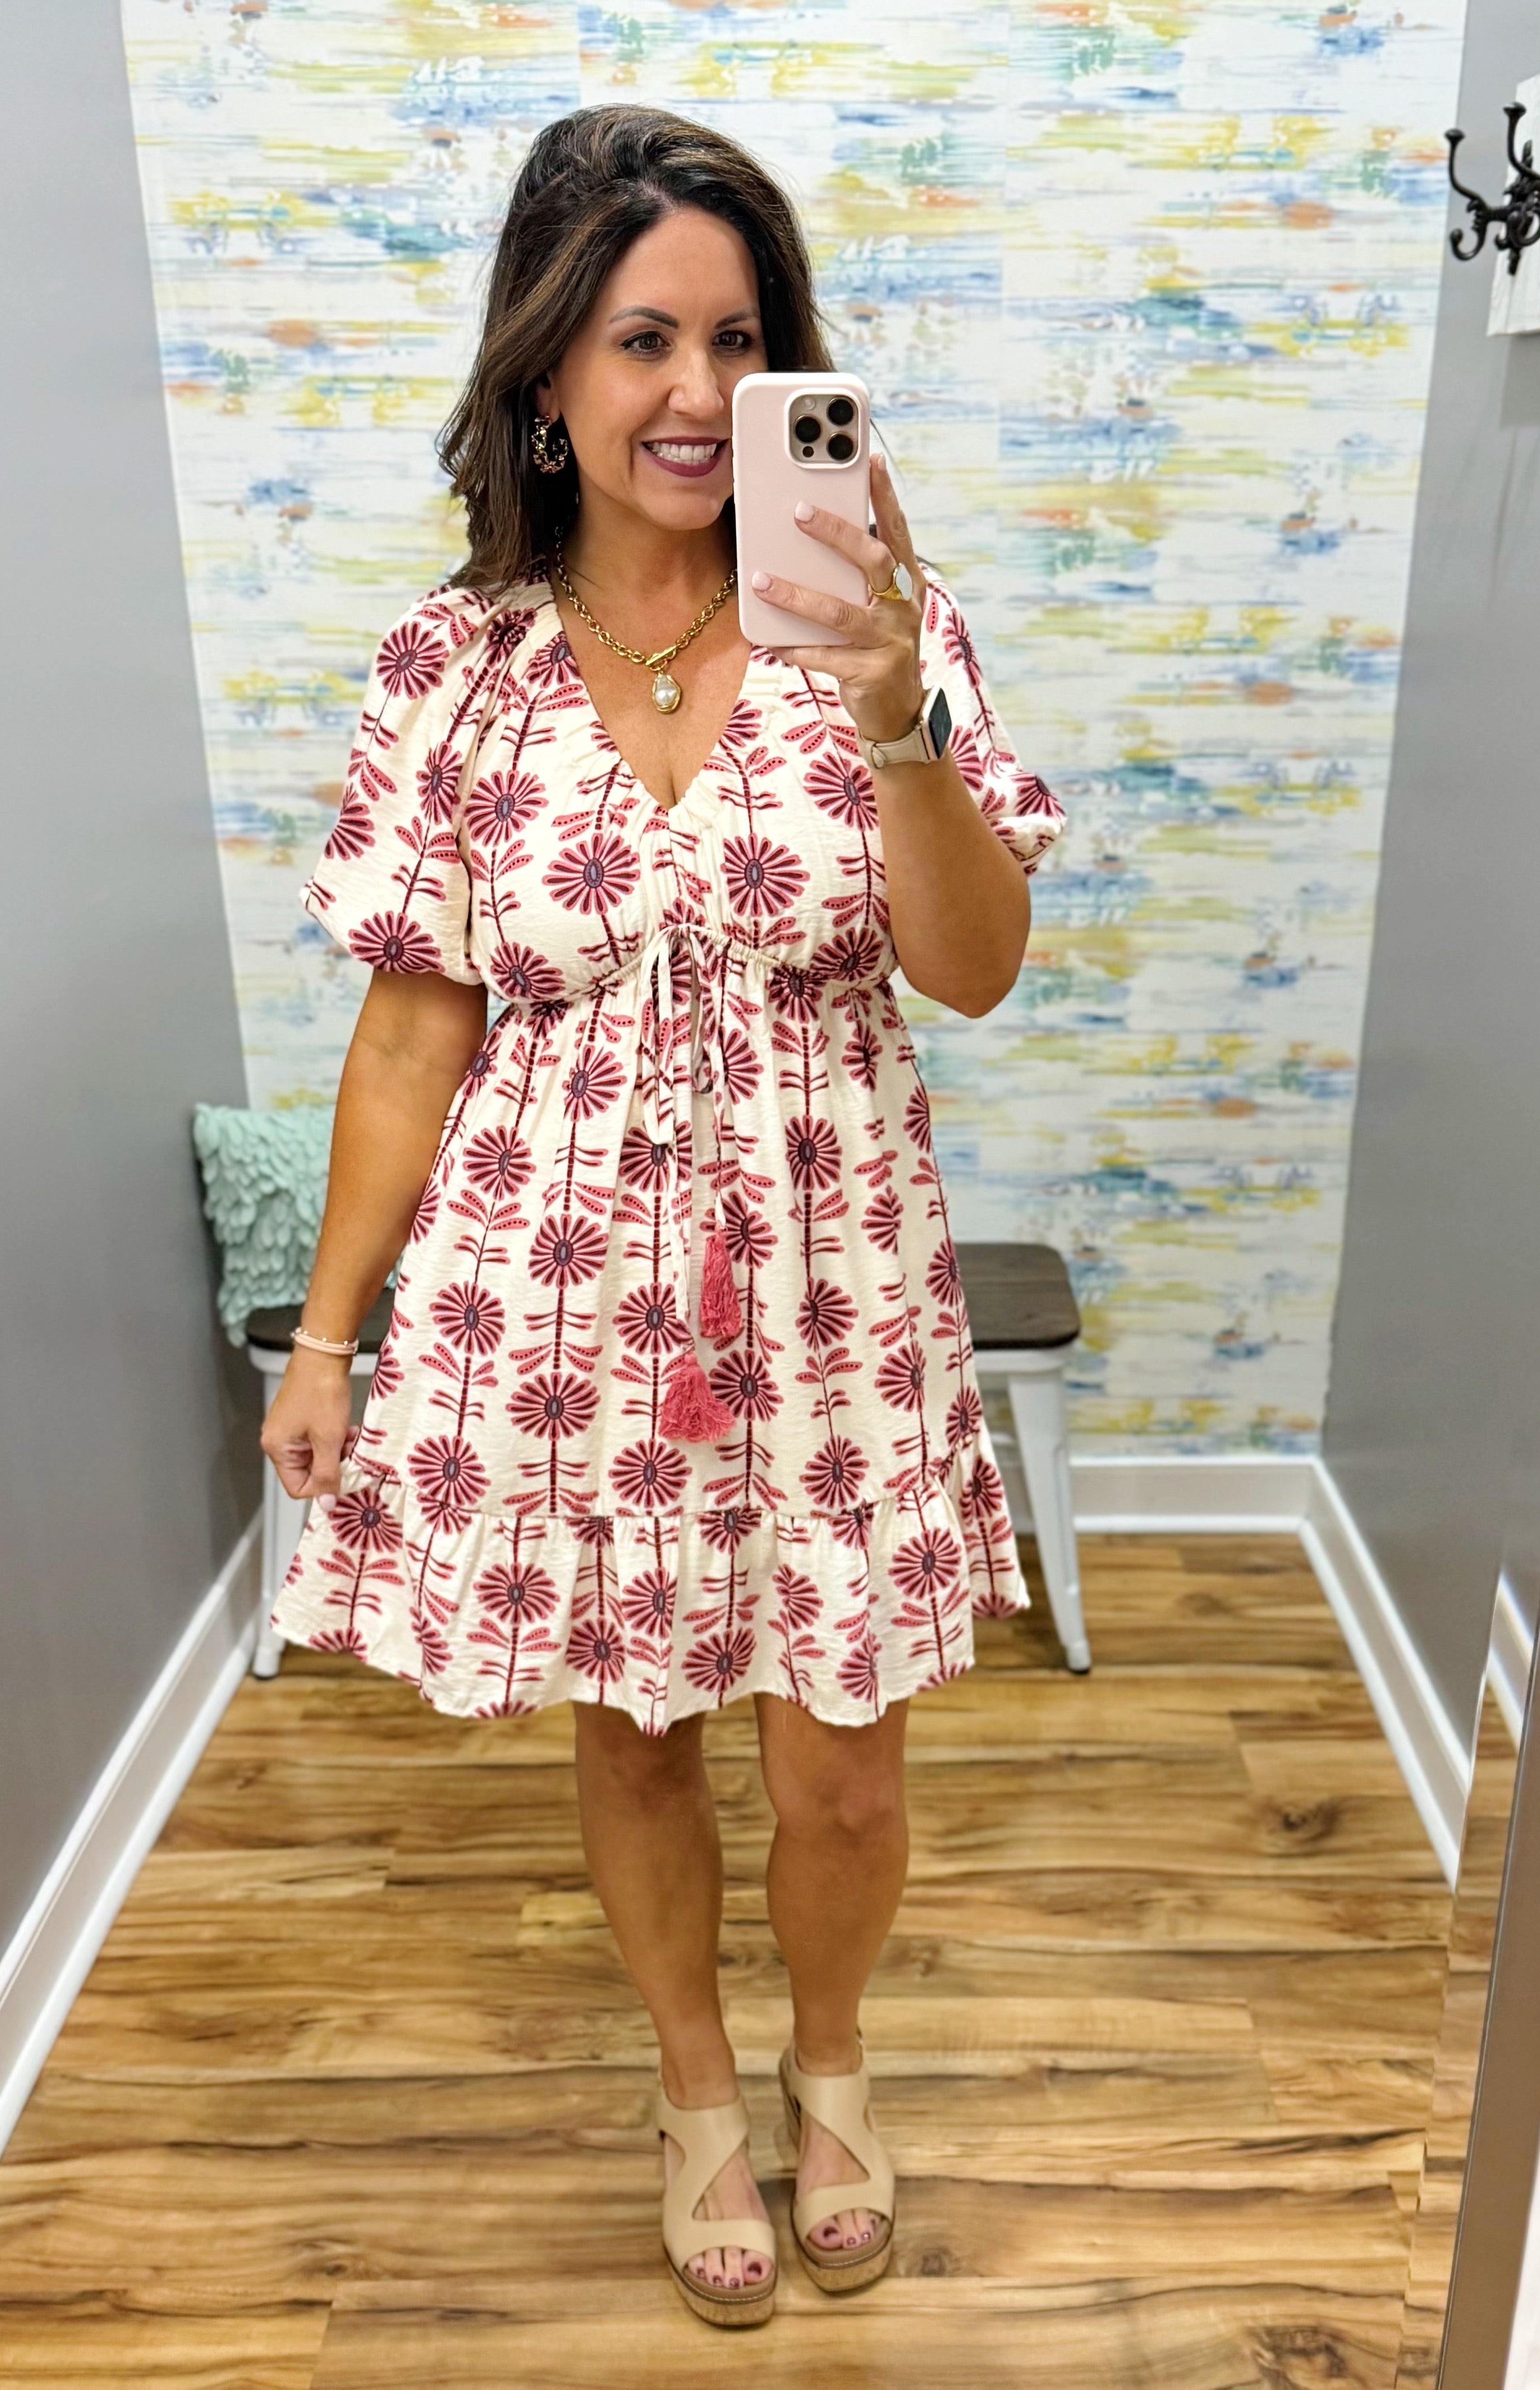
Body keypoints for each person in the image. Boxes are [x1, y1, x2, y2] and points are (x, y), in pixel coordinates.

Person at [261, 101, 1066, 2329]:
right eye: (639, 339)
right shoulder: (452, 674)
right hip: (561, 1291)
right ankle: (696, 2085)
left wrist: (897, 714)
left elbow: (974, 964)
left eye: (739, 339)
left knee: (848, 1756)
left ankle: (834, 2052)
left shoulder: (882, 632)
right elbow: (411, 1035)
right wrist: (328, 1335)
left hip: (833, 1285)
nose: (698, 397)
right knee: (631, 1727)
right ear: (546, 372)